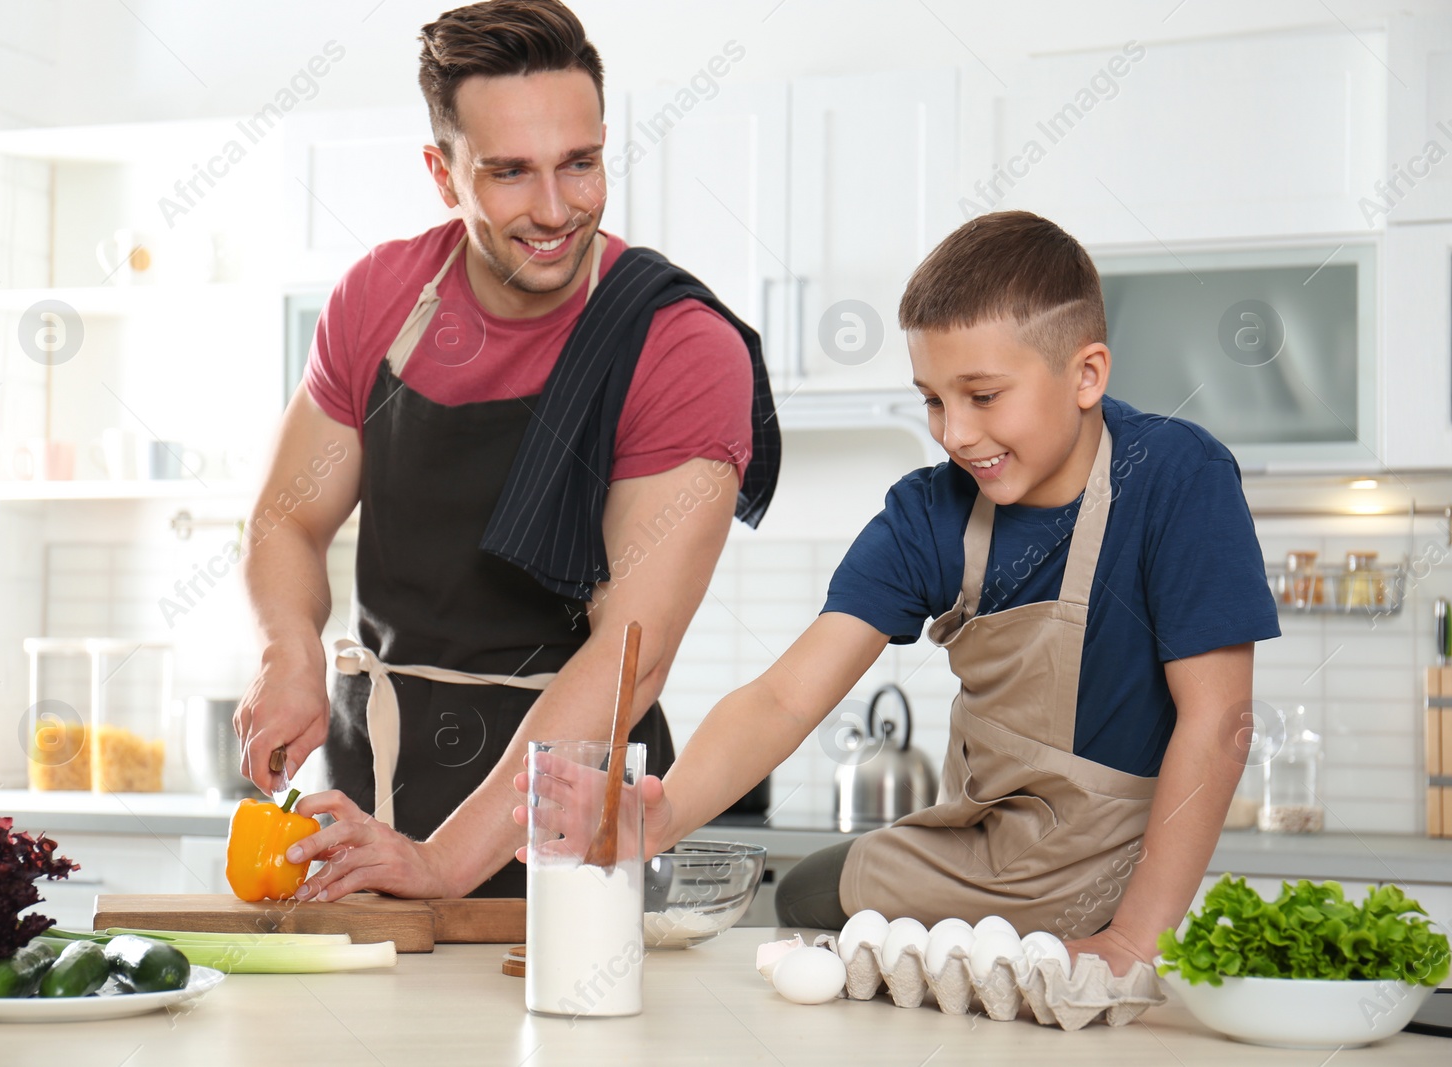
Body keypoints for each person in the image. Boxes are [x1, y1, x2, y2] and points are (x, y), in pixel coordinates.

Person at [557, 210, 1279, 973]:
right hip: (985, 855)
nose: (956, 434)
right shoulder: (928, 513)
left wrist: (1133, 940)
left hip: (1135, 873)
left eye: (983, 395)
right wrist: (668, 811)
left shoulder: (1178, 477)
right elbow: (786, 697)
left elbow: (1218, 719)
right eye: (934, 400)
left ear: (1087, 375)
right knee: (803, 895)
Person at [235, 0, 779, 900]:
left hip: (570, 840)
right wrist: (286, 650)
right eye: (510, 174)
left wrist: (445, 862)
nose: (556, 208)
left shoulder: (676, 344)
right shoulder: (380, 299)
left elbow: (628, 657)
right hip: (371, 808)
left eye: (582, 164)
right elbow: (286, 518)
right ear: (443, 176)